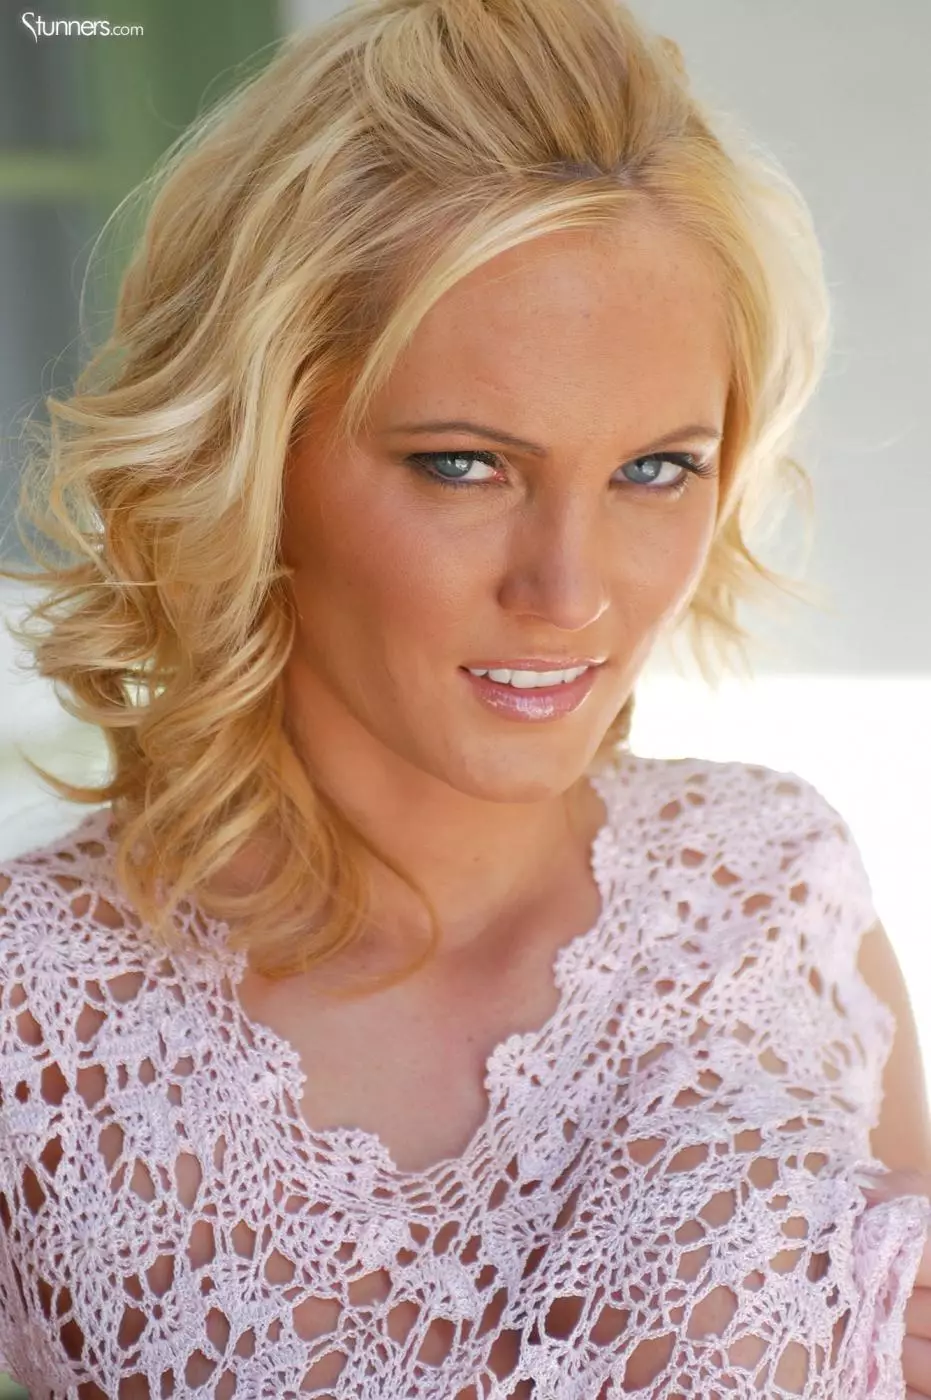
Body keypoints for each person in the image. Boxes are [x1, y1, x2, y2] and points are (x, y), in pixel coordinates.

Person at [1, 0, 930, 1394]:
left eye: (656, 470)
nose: (568, 592)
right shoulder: (32, 1015)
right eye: (463, 465)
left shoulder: (777, 887)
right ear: (250, 456)